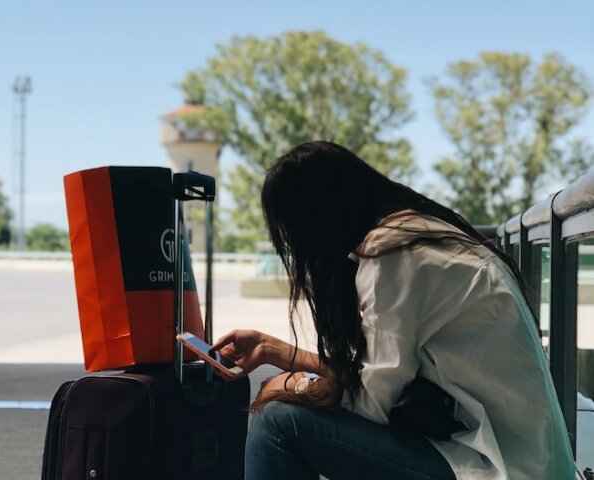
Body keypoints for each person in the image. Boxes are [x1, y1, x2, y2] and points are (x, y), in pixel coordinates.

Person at [211, 141, 576, 479]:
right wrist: (278, 352)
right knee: (283, 407)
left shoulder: (393, 253)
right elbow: (383, 375)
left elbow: (372, 404)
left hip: (499, 468)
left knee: (277, 422)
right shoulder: (419, 234)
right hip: (522, 457)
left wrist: (294, 383)